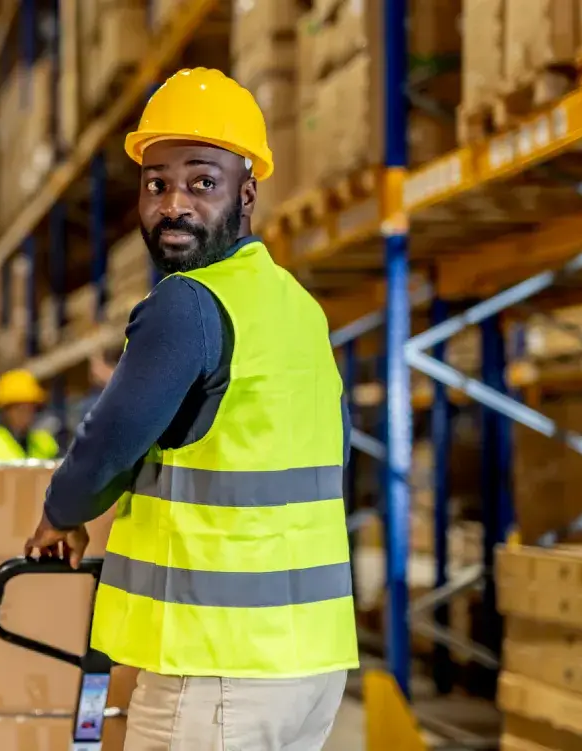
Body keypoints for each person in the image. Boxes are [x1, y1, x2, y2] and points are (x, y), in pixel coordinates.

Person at [23, 68, 357, 750]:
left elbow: (107, 441)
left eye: (200, 182)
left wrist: (60, 514)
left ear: (246, 192)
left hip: (217, 668)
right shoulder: (295, 306)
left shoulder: (187, 304)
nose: (173, 203)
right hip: (310, 664)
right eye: (156, 184)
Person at [0, 369, 60, 460]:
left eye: (31, 408)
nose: (26, 415)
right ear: (5, 410)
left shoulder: (45, 441)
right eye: (20, 409)